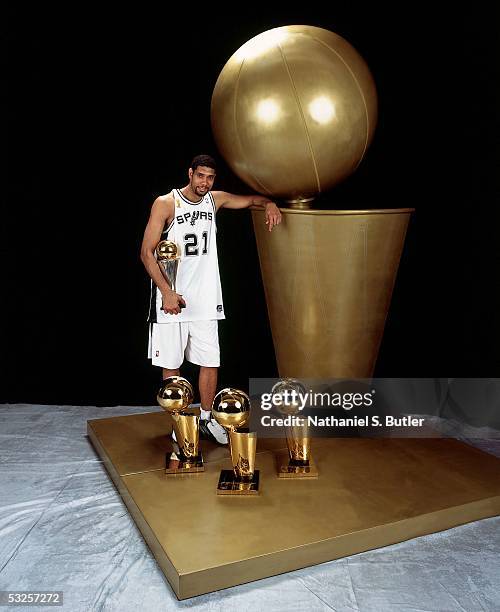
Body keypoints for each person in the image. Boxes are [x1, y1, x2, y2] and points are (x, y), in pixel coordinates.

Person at [140, 154, 281, 444]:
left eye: (210, 177)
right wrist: (166, 292)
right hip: (173, 298)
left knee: (210, 360)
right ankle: (179, 423)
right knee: (172, 362)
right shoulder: (167, 203)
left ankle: (206, 420)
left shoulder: (214, 200)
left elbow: (249, 200)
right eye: (200, 175)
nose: (204, 182)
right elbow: (146, 252)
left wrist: (269, 203)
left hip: (205, 297)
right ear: (190, 173)